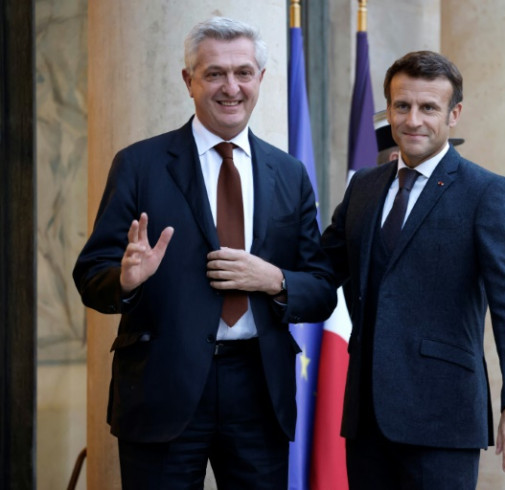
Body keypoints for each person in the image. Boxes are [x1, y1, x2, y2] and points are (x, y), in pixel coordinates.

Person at [73, 17, 336, 489]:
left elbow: (320, 290)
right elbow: (92, 274)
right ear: (188, 81)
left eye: (243, 72)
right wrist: (126, 280)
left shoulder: (289, 173)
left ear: (259, 79)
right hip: (162, 388)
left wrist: (273, 279)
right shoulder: (139, 165)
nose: (230, 87)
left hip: (258, 391)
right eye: (214, 73)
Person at [321, 50, 505, 489]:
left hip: (444, 419)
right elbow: (321, 268)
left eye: (429, 108)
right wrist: (271, 279)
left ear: (454, 113)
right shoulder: (363, 188)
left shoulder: (487, 193)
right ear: (389, 110)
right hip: (367, 418)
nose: (413, 120)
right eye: (402, 106)